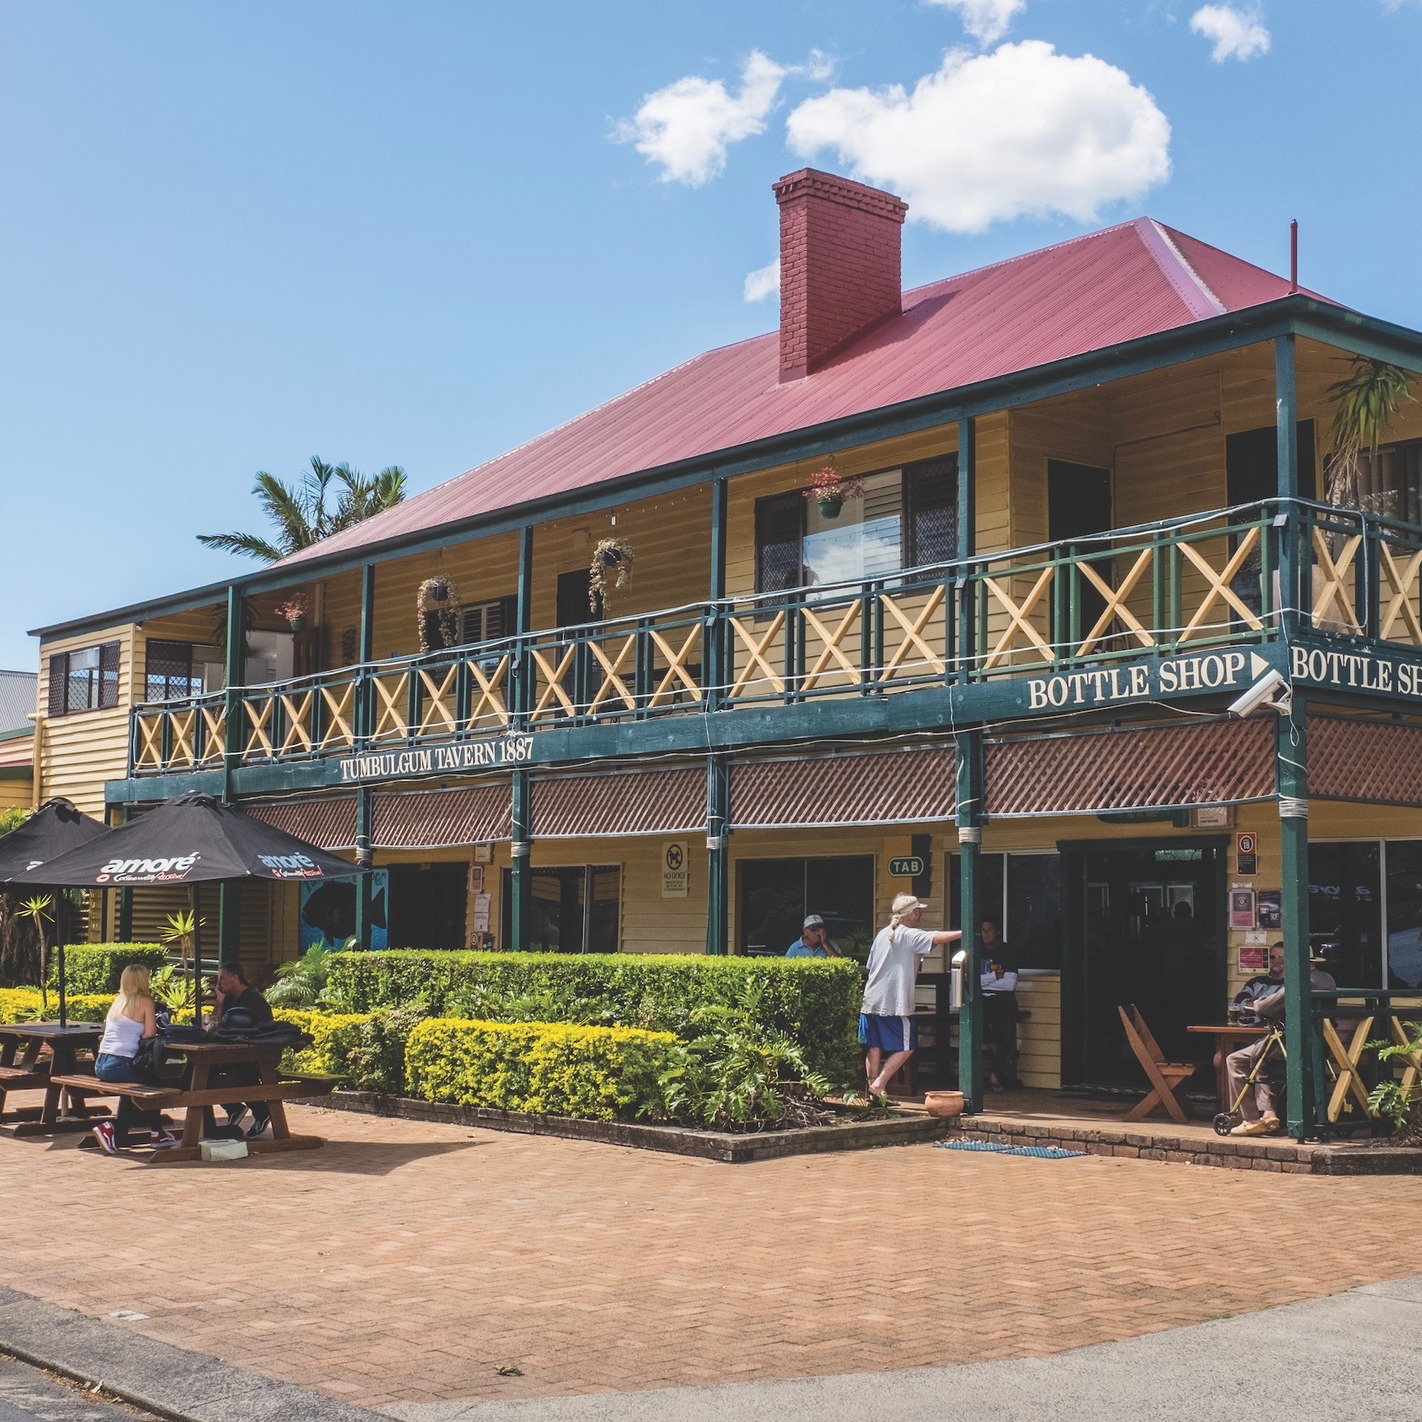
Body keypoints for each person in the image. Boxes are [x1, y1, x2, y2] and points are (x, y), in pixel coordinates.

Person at [1224, 945, 1337, 1137]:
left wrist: (1255, 1005)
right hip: (1321, 1043)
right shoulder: (1327, 979)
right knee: (1263, 1054)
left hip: (1293, 1044)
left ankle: (1252, 1119)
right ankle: (1269, 1114)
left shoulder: (1299, 982)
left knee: (1237, 1059)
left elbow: (1266, 1006)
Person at [861, 894, 962, 1097]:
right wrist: (965, 932)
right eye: (918, 911)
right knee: (907, 1046)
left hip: (870, 1000)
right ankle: (879, 1085)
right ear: (911, 914)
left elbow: (871, 967)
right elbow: (935, 937)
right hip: (895, 1003)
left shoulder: (882, 935)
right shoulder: (909, 934)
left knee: (875, 1045)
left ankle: (873, 1093)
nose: (920, 915)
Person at [91, 964, 178, 1154]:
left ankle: (153, 1132)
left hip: (101, 1063)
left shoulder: (118, 1001)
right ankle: (115, 1128)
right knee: (153, 1083)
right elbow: (149, 1034)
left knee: (135, 1085)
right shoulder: (145, 1001)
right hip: (120, 1063)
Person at [211, 960, 275, 1138]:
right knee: (203, 1070)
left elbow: (262, 1029)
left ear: (235, 977)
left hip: (258, 1053)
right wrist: (220, 1001)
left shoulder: (253, 1000)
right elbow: (219, 1024)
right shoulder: (230, 999)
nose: (219, 983)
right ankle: (233, 1108)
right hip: (231, 1051)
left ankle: (262, 1112)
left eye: (222, 978)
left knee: (239, 1073)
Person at [978, 918, 1019, 1089]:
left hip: (1003, 1000)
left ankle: (995, 1073)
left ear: (998, 931)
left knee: (1007, 1034)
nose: (986, 933)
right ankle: (992, 1047)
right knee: (977, 1023)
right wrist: (995, 976)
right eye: (983, 929)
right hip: (981, 1000)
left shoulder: (1007, 951)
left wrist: (982, 981)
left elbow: (1009, 984)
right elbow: (970, 981)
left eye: (990, 929)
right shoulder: (976, 950)